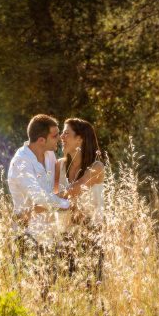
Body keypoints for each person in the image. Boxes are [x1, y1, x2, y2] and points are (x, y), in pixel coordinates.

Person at [7, 114, 71, 300]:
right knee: (34, 291)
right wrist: (66, 204)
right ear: (41, 140)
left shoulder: (50, 155)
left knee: (51, 289)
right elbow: (39, 198)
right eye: (55, 135)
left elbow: (52, 193)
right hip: (28, 234)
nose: (59, 138)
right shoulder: (21, 162)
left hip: (50, 233)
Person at [54, 117, 105, 285]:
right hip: (64, 236)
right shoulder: (59, 165)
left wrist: (54, 199)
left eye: (66, 133)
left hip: (91, 236)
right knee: (66, 289)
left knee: (91, 290)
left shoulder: (96, 167)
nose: (61, 137)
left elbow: (76, 189)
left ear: (80, 139)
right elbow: (54, 197)